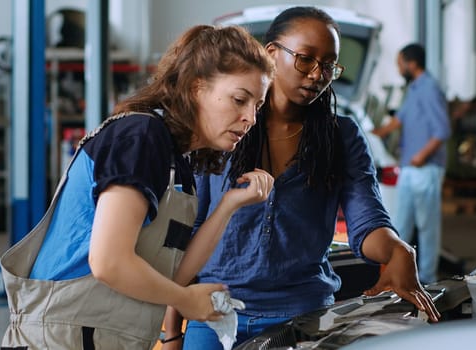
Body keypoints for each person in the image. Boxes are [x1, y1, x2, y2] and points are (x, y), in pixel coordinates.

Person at [173, 7, 440, 350]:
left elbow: (367, 222)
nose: (317, 74)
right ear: (271, 53)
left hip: (303, 317)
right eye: (305, 59)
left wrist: (397, 249)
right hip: (212, 314)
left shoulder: (341, 136)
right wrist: (171, 332)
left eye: (328, 65)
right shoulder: (223, 127)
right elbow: (187, 233)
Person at [0, 24, 276, 349]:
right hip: (64, 336)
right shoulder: (141, 137)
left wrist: (229, 205)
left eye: (257, 106)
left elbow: (171, 277)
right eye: (239, 99)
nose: (250, 118)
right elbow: (109, 262)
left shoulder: (179, 166)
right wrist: (185, 301)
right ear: (196, 88)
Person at [372, 43, 451, 284]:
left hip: (425, 168)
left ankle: (427, 277)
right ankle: (398, 274)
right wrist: (372, 134)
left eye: (399, 63)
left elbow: (443, 129)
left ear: (412, 63)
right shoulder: (414, 88)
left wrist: (422, 155)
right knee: (400, 225)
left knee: (427, 227)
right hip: (409, 168)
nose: (398, 68)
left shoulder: (428, 89)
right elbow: (398, 120)